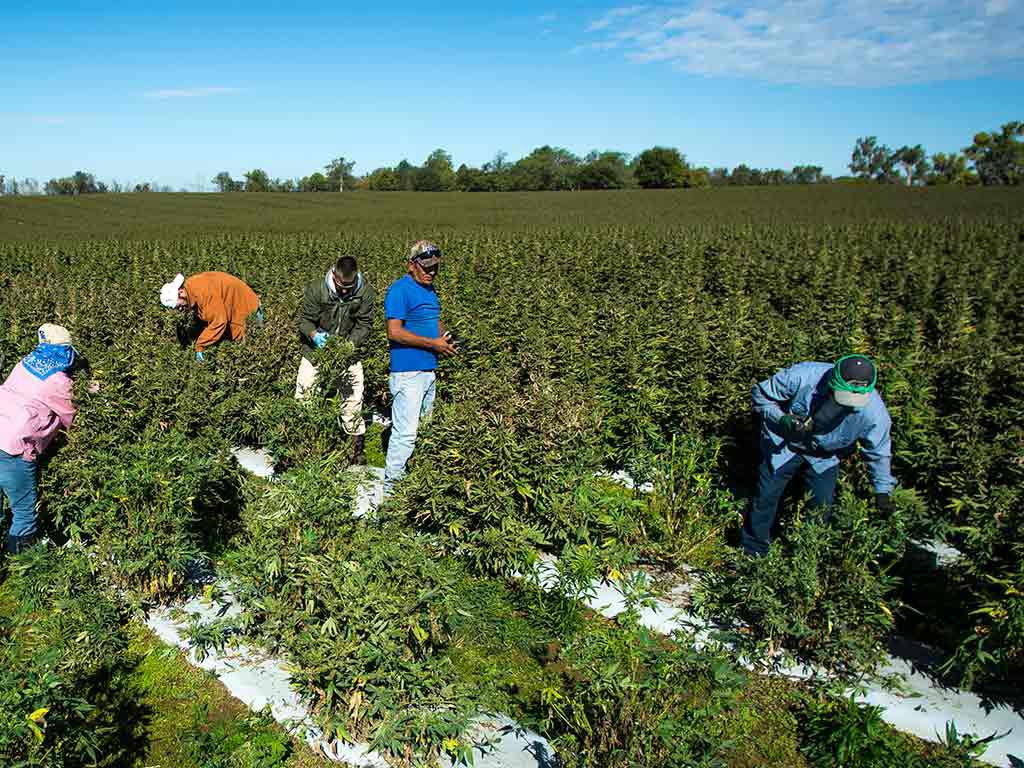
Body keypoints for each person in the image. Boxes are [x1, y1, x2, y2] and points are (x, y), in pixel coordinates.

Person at [742, 355, 897, 557]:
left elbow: (879, 452)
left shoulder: (874, 413)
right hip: (784, 444)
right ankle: (752, 553)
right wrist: (782, 420)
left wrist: (882, 491)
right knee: (766, 496)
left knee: (820, 507)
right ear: (833, 382)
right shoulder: (803, 376)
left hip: (824, 456)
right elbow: (761, 395)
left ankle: (803, 561)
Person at [382, 240, 458, 497]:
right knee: (405, 435)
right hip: (408, 372)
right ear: (411, 265)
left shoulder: (430, 291)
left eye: (435, 268)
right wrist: (432, 344)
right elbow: (394, 332)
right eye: (425, 267)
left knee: (426, 429)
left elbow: (432, 323)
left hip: (428, 371)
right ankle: (391, 494)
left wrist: (445, 342)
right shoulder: (399, 290)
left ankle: (416, 485)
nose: (431, 272)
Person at [0, 325, 77, 555]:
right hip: (13, 450)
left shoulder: (25, 363)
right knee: (24, 514)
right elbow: (71, 417)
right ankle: (23, 570)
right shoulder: (59, 381)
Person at [295, 255, 376, 464]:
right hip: (315, 351)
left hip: (348, 353)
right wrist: (314, 336)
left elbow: (365, 324)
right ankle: (302, 447)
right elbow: (304, 321)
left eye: (349, 287)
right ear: (334, 274)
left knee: (352, 400)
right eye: (341, 286)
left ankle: (355, 452)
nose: (345, 291)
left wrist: (350, 345)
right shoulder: (317, 289)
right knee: (305, 397)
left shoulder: (365, 292)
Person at [159, 271, 263, 360]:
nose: (180, 310)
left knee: (255, 350)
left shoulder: (203, 294)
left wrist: (201, 344)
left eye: (178, 306)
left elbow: (219, 321)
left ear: (181, 293)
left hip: (248, 309)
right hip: (234, 308)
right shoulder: (190, 288)